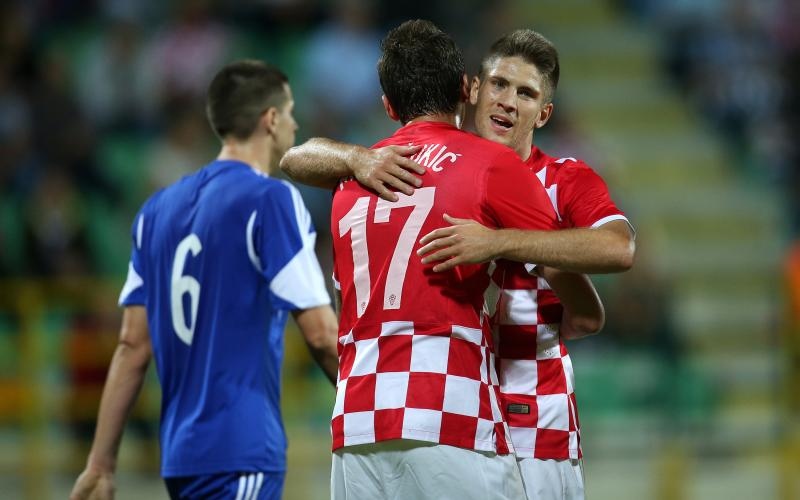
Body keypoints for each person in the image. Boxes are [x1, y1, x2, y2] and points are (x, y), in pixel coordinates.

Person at [280, 29, 635, 500]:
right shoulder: (433, 167)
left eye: (526, 93)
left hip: (533, 423)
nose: (508, 102)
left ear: (543, 114)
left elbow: (618, 250)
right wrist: (355, 156)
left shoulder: (565, 178)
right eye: (499, 85)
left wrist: (497, 242)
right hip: (461, 408)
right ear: (471, 89)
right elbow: (296, 158)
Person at [70, 60, 339, 500]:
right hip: (241, 450)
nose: (295, 122)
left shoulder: (155, 211)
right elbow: (322, 334)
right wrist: (370, 403)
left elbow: (132, 346)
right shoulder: (271, 200)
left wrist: (100, 464)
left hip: (180, 457)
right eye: (290, 111)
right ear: (270, 120)